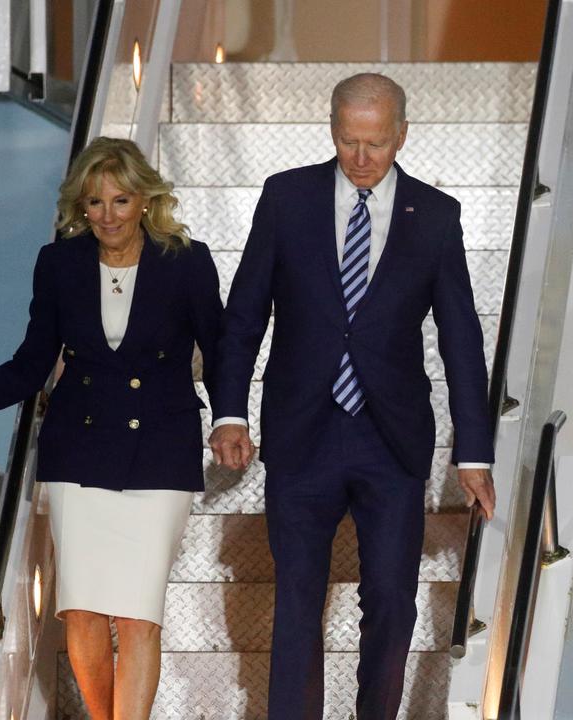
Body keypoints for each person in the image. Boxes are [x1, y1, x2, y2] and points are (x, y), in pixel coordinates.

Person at [209, 72, 497, 719]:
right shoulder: (286, 199)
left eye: (375, 143)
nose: (362, 158)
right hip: (301, 431)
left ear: (401, 134)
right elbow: (245, 311)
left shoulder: (436, 216)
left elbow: (461, 340)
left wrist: (473, 450)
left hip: (389, 440)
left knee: (393, 601)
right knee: (298, 601)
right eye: (348, 142)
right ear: (332, 130)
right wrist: (230, 410)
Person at [0, 136, 222, 720]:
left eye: (119, 200)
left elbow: (220, 351)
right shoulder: (58, 262)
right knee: (83, 610)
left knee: (139, 613)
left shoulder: (186, 259)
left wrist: (231, 417)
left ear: (144, 200)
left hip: (161, 451)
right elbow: (30, 364)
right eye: (94, 202)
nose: (107, 215)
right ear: (80, 206)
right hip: (79, 453)